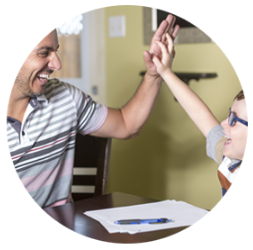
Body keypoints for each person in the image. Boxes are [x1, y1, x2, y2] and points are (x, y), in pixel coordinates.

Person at [6, 15, 180, 208]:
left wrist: (154, 74)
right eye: (44, 53)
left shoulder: (66, 97)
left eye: (55, 51)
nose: (57, 64)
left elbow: (127, 125)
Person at [152, 33, 248, 196]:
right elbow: (200, 115)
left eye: (234, 120)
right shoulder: (231, 158)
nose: (224, 122)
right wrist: (166, 72)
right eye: (228, 115)